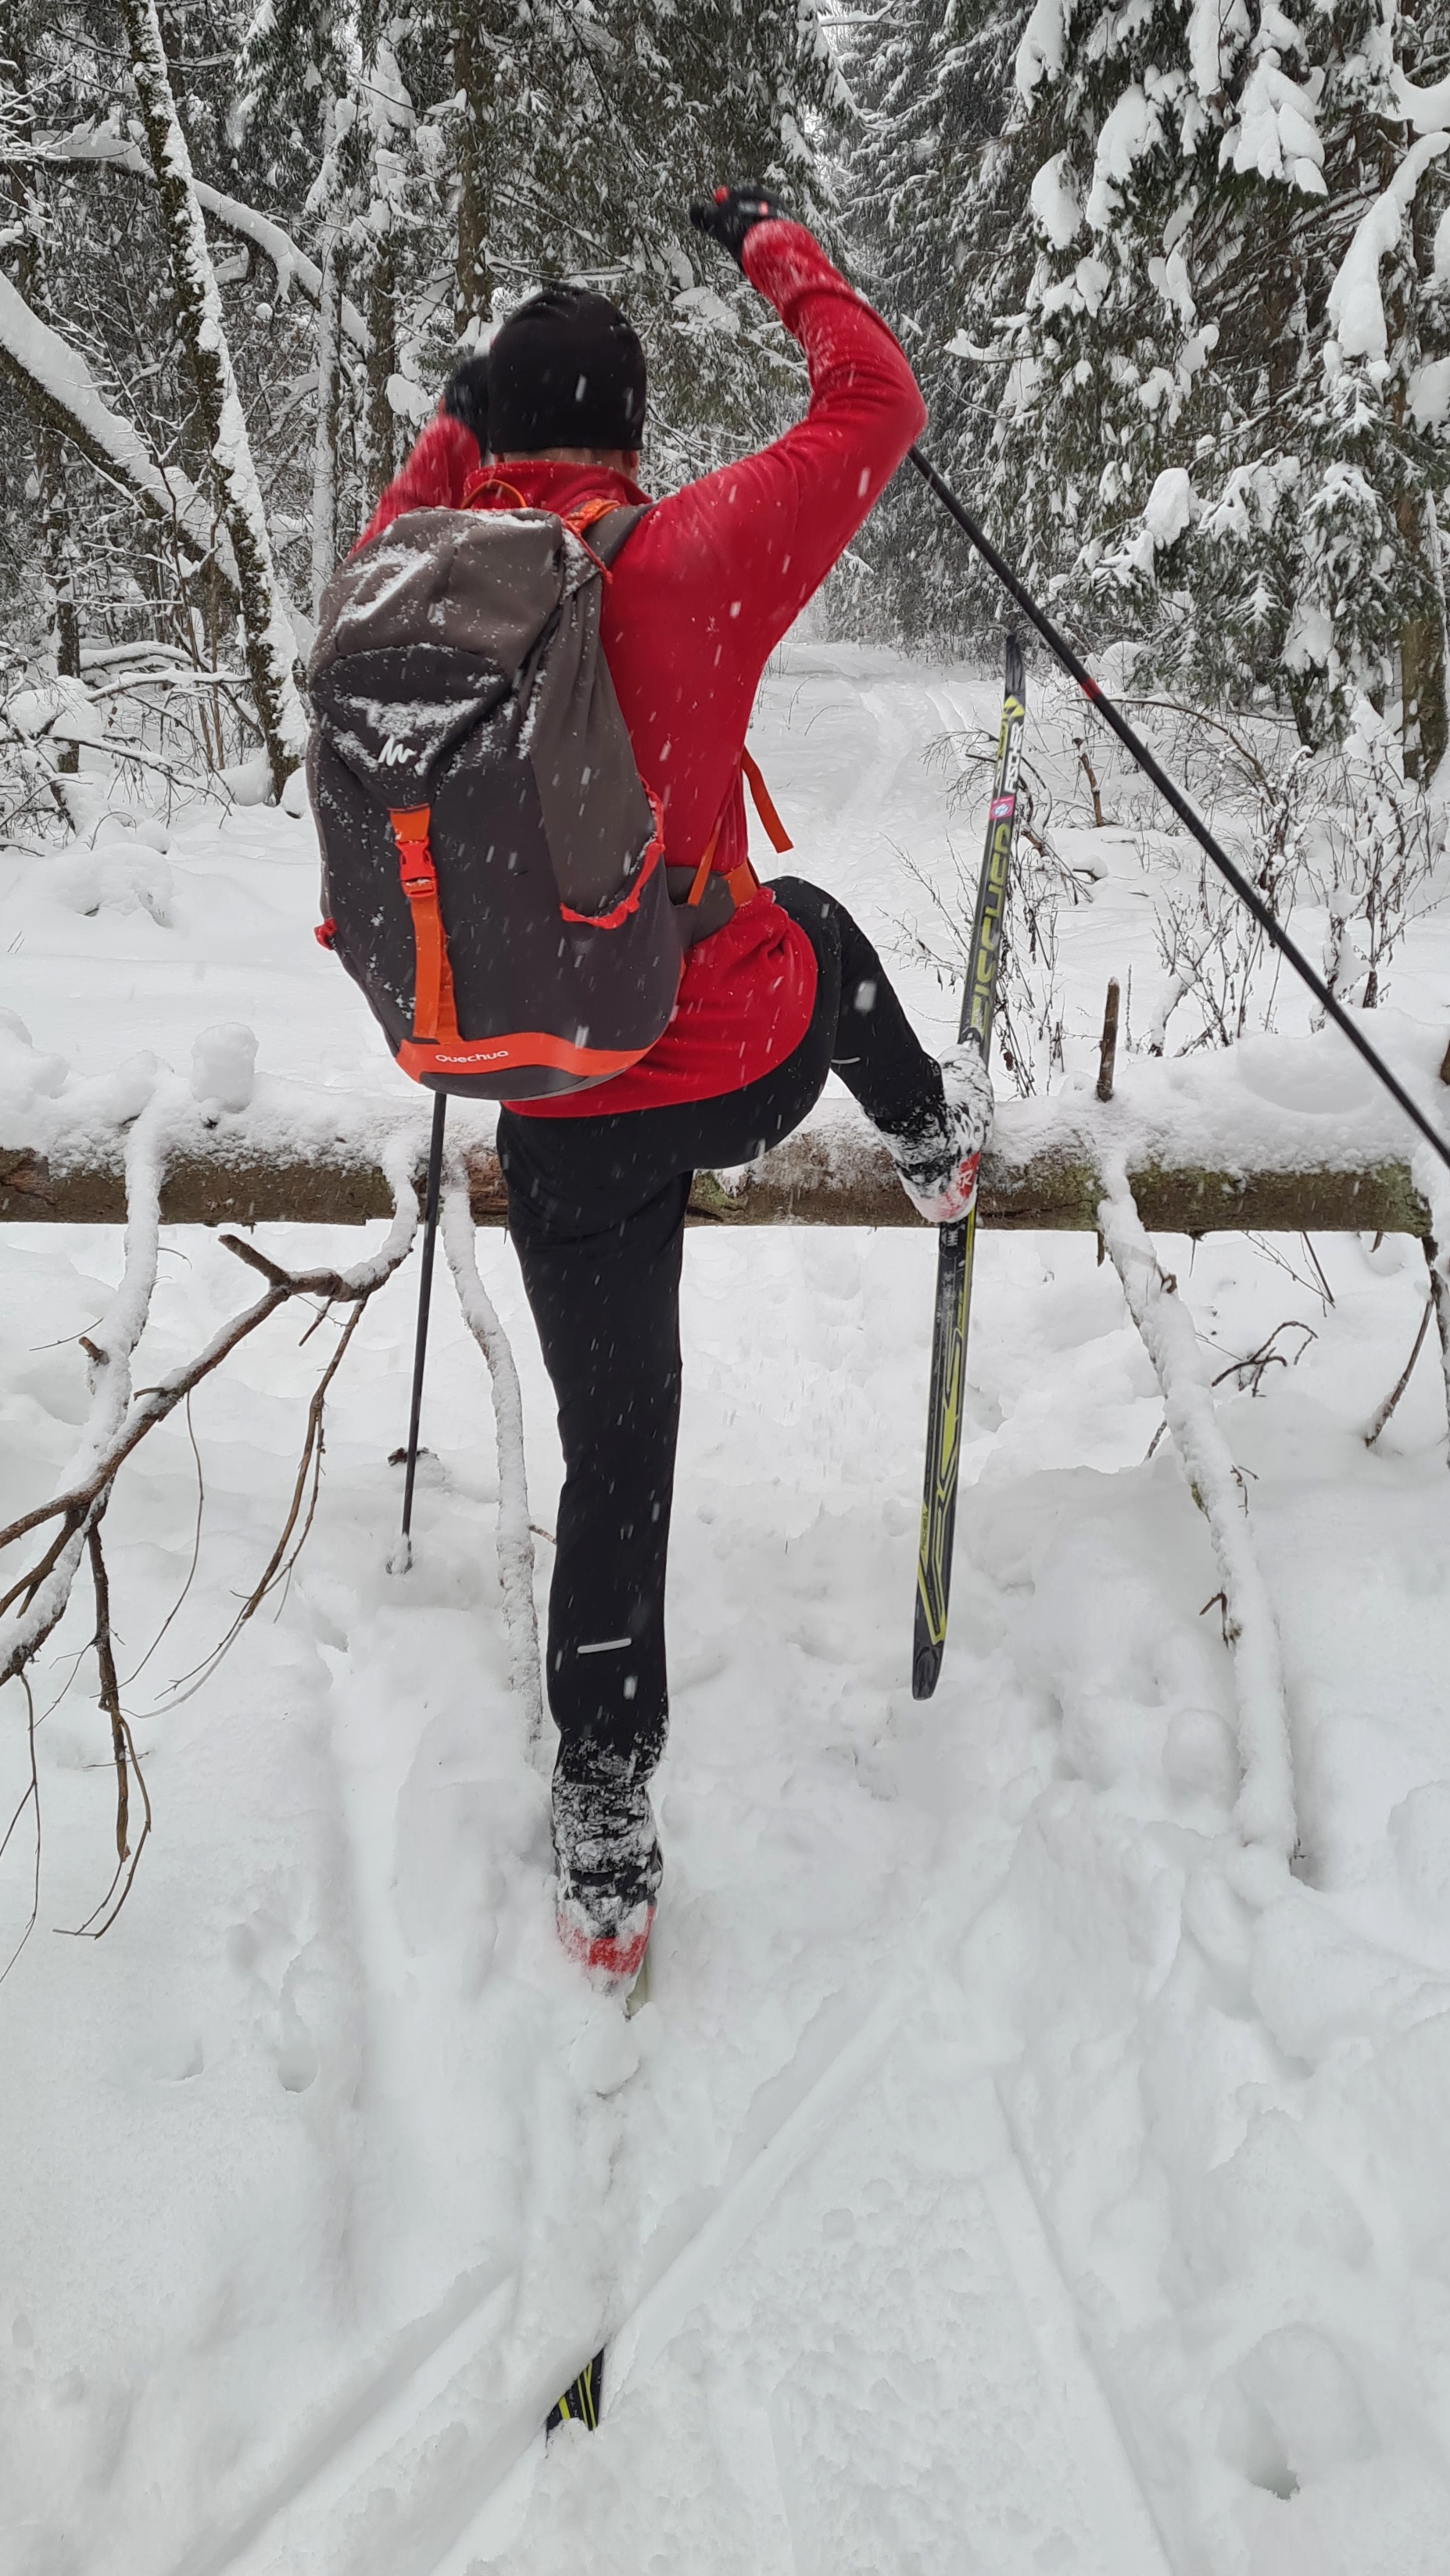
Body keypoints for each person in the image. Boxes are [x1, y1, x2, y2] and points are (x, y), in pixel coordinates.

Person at [353, 185, 991, 1983]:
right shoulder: (692, 552)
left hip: (544, 1095)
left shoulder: (418, 572)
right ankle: (928, 1139)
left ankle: (605, 1808)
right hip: (718, 1062)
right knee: (818, 928)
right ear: (631, 430)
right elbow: (875, 404)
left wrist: (461, 417)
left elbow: (421, 497)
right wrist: (772, 247)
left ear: (493, 430)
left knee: (617, 1451)